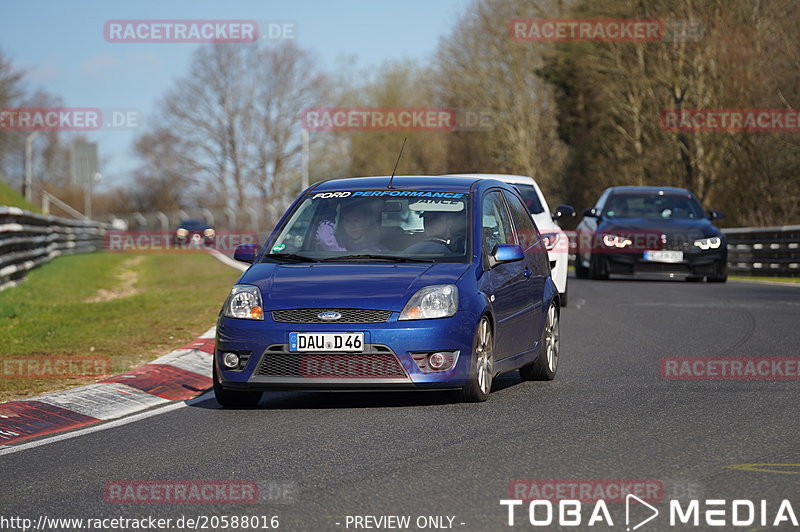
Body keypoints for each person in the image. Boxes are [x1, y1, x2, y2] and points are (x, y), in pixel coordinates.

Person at [316, 199, 383, 252]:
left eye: (356, 221)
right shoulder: (338, 245)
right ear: (342, 223)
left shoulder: (379, 251)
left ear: (366, 223)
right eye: (347, 221)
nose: (352, 226)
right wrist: (331, 208)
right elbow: (323, 239)